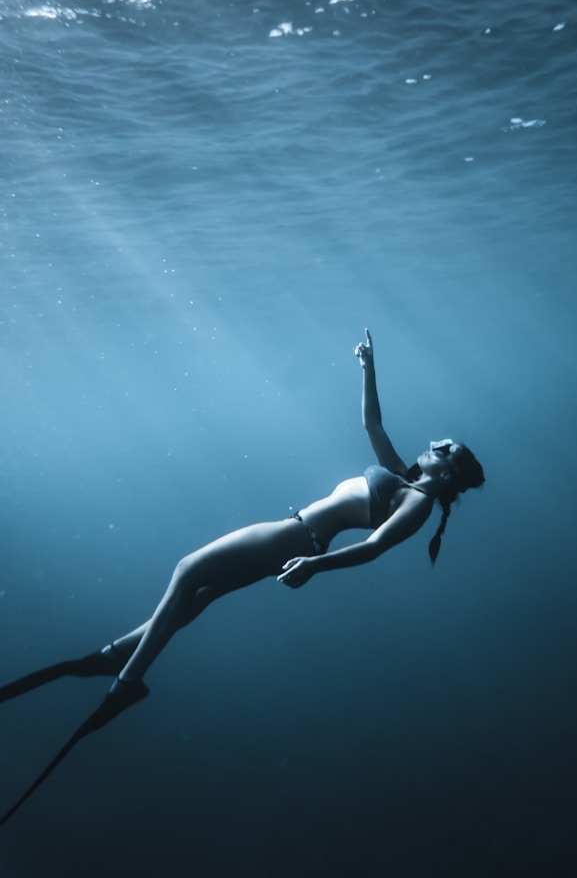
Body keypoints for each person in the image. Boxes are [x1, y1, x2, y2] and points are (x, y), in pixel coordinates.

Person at [0, 330, 484, 825]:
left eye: (445, 448)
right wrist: (369, 369)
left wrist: (315, 565)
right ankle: (119, 654)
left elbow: (375, 546)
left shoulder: (419, 503)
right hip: (298, 539)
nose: (435, 443)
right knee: (201, 594)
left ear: (446, 474)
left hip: (298, 539)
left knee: (188, 570)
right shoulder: (402, 477)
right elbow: (372, 422)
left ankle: (126, 683)